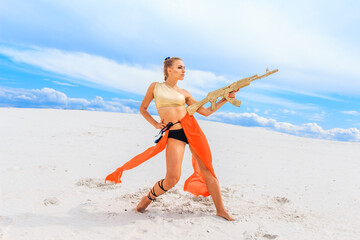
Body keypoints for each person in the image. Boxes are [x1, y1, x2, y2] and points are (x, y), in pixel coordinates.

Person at [105, 57, 236, 221]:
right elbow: (143, 108)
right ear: (169, 70)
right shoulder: (156, 87)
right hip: (174, 134)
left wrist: (225, 98)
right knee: (172, 178)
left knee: (207, 170)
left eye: (184, 67)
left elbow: (206, 111)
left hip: (191, 130)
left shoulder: (185, 93)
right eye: (180, 67)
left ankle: (221, 210)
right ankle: (147, 199)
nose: (184, 70)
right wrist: (154, 124)